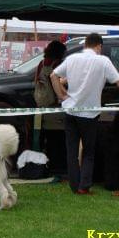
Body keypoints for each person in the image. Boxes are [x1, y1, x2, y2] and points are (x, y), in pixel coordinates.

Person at [50, 33, 119, 195]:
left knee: (71, 151)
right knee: (88, 152)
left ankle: (74, 186)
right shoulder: (103, 61)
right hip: (89, 114)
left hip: (70, 111)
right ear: (99, 46)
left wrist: (62, 95)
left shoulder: (72, 58)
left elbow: (54, 75)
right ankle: (84, 186)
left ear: (85, 44)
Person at [34, 40, 67, 178]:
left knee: (48, 137)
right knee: (59, 137)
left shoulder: (42, 63)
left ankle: (50, 164)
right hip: (55, 104)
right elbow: (59, 83)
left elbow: (37, 80)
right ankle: (60, 166)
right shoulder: (57, 64)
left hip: (42, 103)